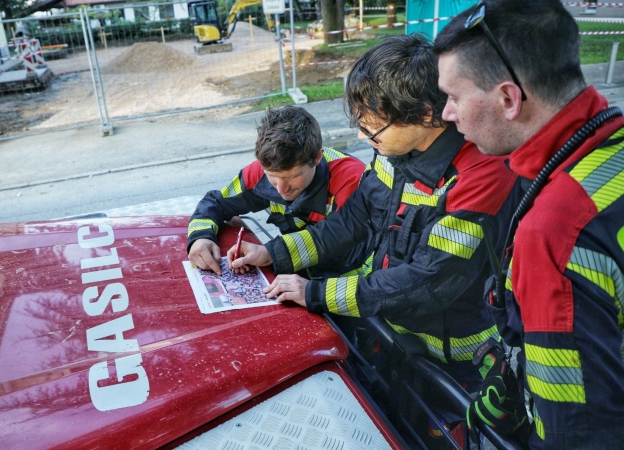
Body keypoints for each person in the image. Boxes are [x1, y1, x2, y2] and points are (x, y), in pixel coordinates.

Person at [228, 34, 523, 392]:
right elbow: (355, 219)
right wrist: (273, 254)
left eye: (372, 128)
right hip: (391, 330)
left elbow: (427, 280)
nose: (366, 137)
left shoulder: (480, 175)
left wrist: (317, 293)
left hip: (453, 358)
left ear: (426, 114)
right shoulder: (394, 151)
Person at [434, 0, 624, 447]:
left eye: (454, 96)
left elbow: (577, 432)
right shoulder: (606, 149)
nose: (447, 113)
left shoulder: (554, 230)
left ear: (507, 98)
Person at [187, 105, 367, 276]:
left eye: (292, 176)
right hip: (300, 274)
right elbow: (216, 202)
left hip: (354, 280)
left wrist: (272, 254)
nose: (281, 188)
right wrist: (200, 237)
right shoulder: (261, 170)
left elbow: (336, 237)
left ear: (317, 157)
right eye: (271, 176)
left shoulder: (352, 179)